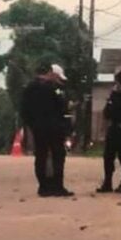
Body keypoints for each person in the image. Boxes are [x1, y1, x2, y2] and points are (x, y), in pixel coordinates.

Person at [21, 63, 73, 197]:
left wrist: (32, 125)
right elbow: (63, 109)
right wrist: (67, 127)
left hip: (39, 129)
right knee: (58, 156)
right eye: (57, 77)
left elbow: (24, 110)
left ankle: (43, 187)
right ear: (51, 74)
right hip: (54, 129)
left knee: (41, 156)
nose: (58, 80)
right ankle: (57, 187)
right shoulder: (54, 89)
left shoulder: (29, 88)